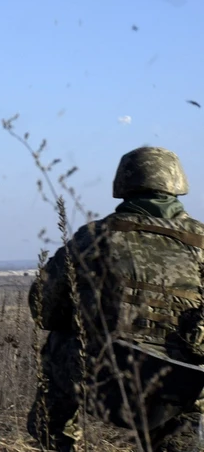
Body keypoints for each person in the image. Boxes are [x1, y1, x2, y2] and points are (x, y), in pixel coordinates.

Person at [27, 146, 204, 452]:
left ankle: (56, 436)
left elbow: (43, 309)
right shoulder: (201, 242)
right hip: (176, 386)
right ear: (177, 184)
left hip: (100, 376)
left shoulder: (92, 237)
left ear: (124, 183)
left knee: (59, 340)